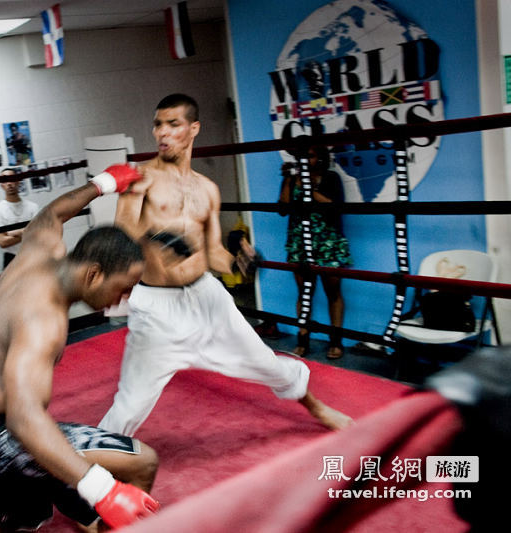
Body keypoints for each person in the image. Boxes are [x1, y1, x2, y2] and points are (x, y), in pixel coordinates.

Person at [98, 94, 353, 437]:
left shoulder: (208, 189)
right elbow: (122, 239)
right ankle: (87, 471)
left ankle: (317, 408)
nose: (163, 132)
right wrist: (160, 238)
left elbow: (213, 251)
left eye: (173, 124)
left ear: (194, 128)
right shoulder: (140, 180)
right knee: (129, 404)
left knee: (264, 361)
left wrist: (239, 263)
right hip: (158, 306)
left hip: (206, 296)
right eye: (158, 124)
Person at [0, 166, 160, 532]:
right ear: (93, 274)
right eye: (122, 288)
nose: (123, 300)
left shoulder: (41, 251)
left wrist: (102, 184)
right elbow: (24, 420)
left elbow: (52, 213)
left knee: (31, 516)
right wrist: (104, 489)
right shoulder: (42, 320)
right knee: (142, 462)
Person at [278, 146, 352, 359]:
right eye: (301, 155)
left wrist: (309, 188)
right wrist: (288, 181)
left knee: (333, 292)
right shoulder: (293, 179)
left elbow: (335, 206)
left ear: (320, 157)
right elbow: (283, 209)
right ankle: (303, 339)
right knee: (304, 293)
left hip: (328, 241)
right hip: (300, 242)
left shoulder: (331, 177)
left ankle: (336, 341)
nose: (305, 160)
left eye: (309, 155)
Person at [0, 168, 40, 268]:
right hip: (12, 259)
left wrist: (14, 233)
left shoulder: (33, 207)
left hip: (33, 256)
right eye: (5, 180)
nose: (9, 183)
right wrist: (28, 231)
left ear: (18, 182)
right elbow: (2, 242)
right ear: (1, 185)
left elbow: (40, 233)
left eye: (12, 179)